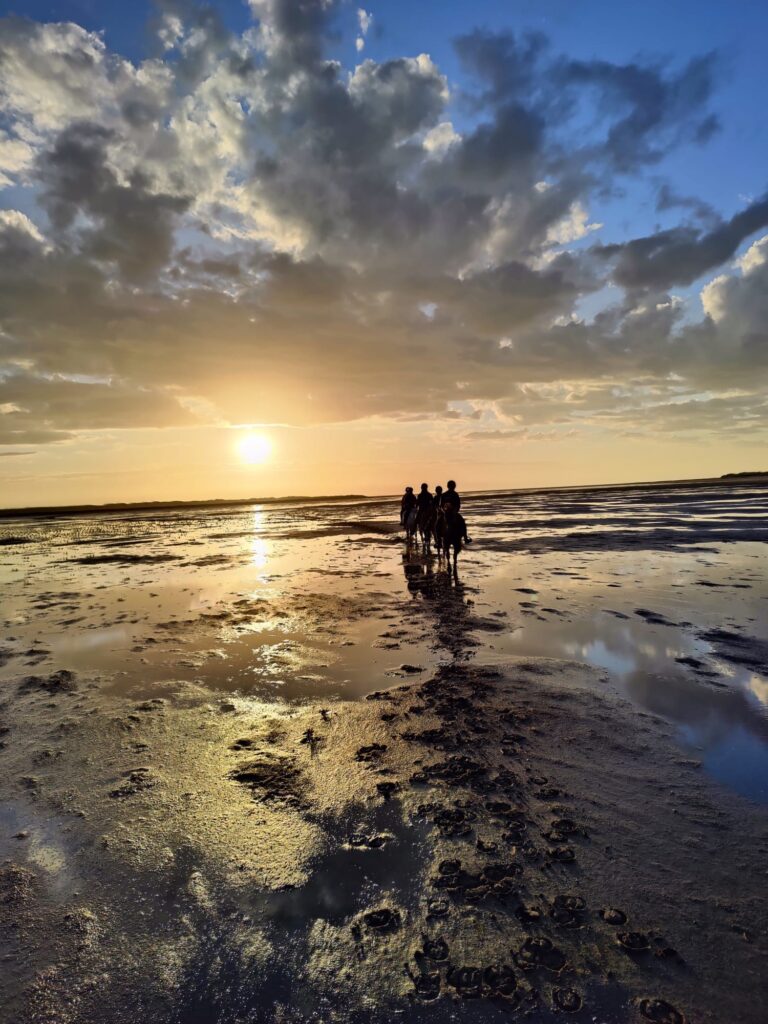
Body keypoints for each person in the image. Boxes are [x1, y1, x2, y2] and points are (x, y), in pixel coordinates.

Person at [442, 500, 470, 570]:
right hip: (444, 511)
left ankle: (465, 537)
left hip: (453, 510)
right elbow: (441, 504)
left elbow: (458, 503)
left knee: (462, 523)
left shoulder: (454, 495)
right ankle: (438, 540)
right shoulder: (444, 495)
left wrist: (455, 509)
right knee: (438, 524)